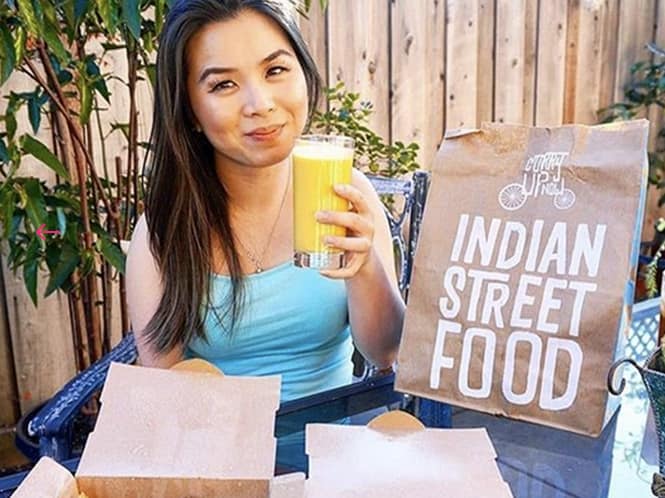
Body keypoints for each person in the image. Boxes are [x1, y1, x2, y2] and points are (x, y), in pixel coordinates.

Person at [126, 0, 404, 403]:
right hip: (220, 457)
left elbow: (385, 353)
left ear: (303, 73)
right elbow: (165, 394)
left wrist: (365, 269)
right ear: (189, 109)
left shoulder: (348, 192)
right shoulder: (165, 228)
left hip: (331, 453)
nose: (260, 104)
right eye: (223, 84)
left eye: (275, 70)